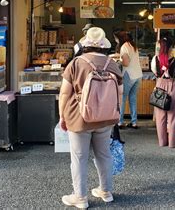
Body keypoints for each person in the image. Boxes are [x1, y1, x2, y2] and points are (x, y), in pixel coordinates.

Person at [59, 27, 123, 209]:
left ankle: (80, 197)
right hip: (105, 118)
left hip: (79, 117)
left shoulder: (76, 63)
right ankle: (105, 191)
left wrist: (62, 116)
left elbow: (64, 93)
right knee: (104, 155)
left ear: (85, 43)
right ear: (104, 45)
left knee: (79, 157)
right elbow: (119, 93)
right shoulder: (112, 64)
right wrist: (116, 114)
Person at [151, 37, 175, 148]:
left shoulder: (155, 59)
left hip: (159, 85)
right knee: (173, 116)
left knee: (160, 116)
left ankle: (162, 142)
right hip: (173, 85)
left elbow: (154, 71)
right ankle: (173, 142)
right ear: (170, 48)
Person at [114, 31, 142, 129]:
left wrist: (118, 61)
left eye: (116, 38)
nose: (116, 40)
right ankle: (134, 122)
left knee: (122, 98)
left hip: (129, 75)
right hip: (138, 75)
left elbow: (126, 63)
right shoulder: (133, 46)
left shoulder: (124, 47)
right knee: (133, 99)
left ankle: (120, 122)